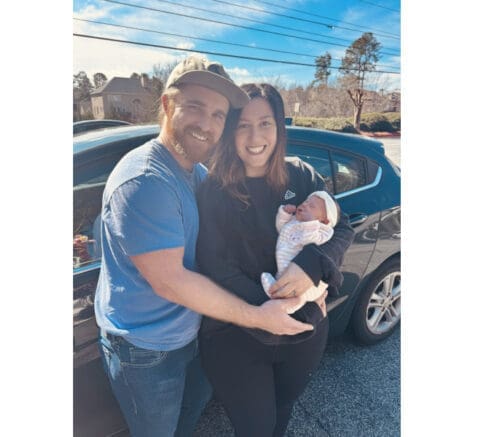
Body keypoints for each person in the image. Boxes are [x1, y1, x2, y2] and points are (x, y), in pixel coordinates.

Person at [92, 56, 317, 437]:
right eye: (194, 107)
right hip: (147, 350)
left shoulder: (195, 172)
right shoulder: (145, 181)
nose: (207, 124)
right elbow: (172, 282)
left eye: (218, 115)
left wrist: (314, 264)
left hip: (190, 334)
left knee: (185, 425)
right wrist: (261, 315)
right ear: (167, 105)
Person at [196, 83, 355, 437]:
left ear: (279, 127)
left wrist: (311, 267)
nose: (256, 136)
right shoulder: (213, 190)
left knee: (283, 411)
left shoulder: (301, 175)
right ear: (230, 131)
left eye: (265, 123)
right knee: (256, 428)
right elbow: (215, 265)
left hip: (304, 331)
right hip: (236, 334)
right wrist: (272, 309)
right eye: (243, 125)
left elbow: (341, 227)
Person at [260, 190, 340, 314]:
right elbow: (282, 229)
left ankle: (291, 304)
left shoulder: (320, 231)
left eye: (312, 206)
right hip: (286, 264)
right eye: (305, 202)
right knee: (283, 283)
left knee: (299, 293)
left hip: (308, 281)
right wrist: (284, 214)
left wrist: (309, 224)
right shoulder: (295, 222)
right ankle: (275, 289)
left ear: (324, 221)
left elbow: (310, 241)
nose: (305, 205)